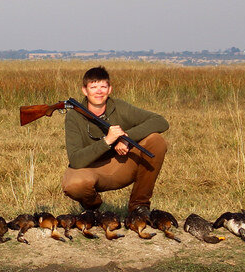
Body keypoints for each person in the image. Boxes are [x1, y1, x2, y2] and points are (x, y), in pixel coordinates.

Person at [61, 66, 168, 212]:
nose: (99, 91)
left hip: (118, 166)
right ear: (84, 90)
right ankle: (93, 208)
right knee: (74, 185)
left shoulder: (119, 106)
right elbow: (75, 160)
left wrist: (125, 138)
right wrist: (107, 141)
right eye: (93, 87)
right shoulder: (73, 116)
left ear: (109, 89)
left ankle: (139, 206)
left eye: (103, 86)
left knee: (156, 141)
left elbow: (160, 121)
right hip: (88, 168)